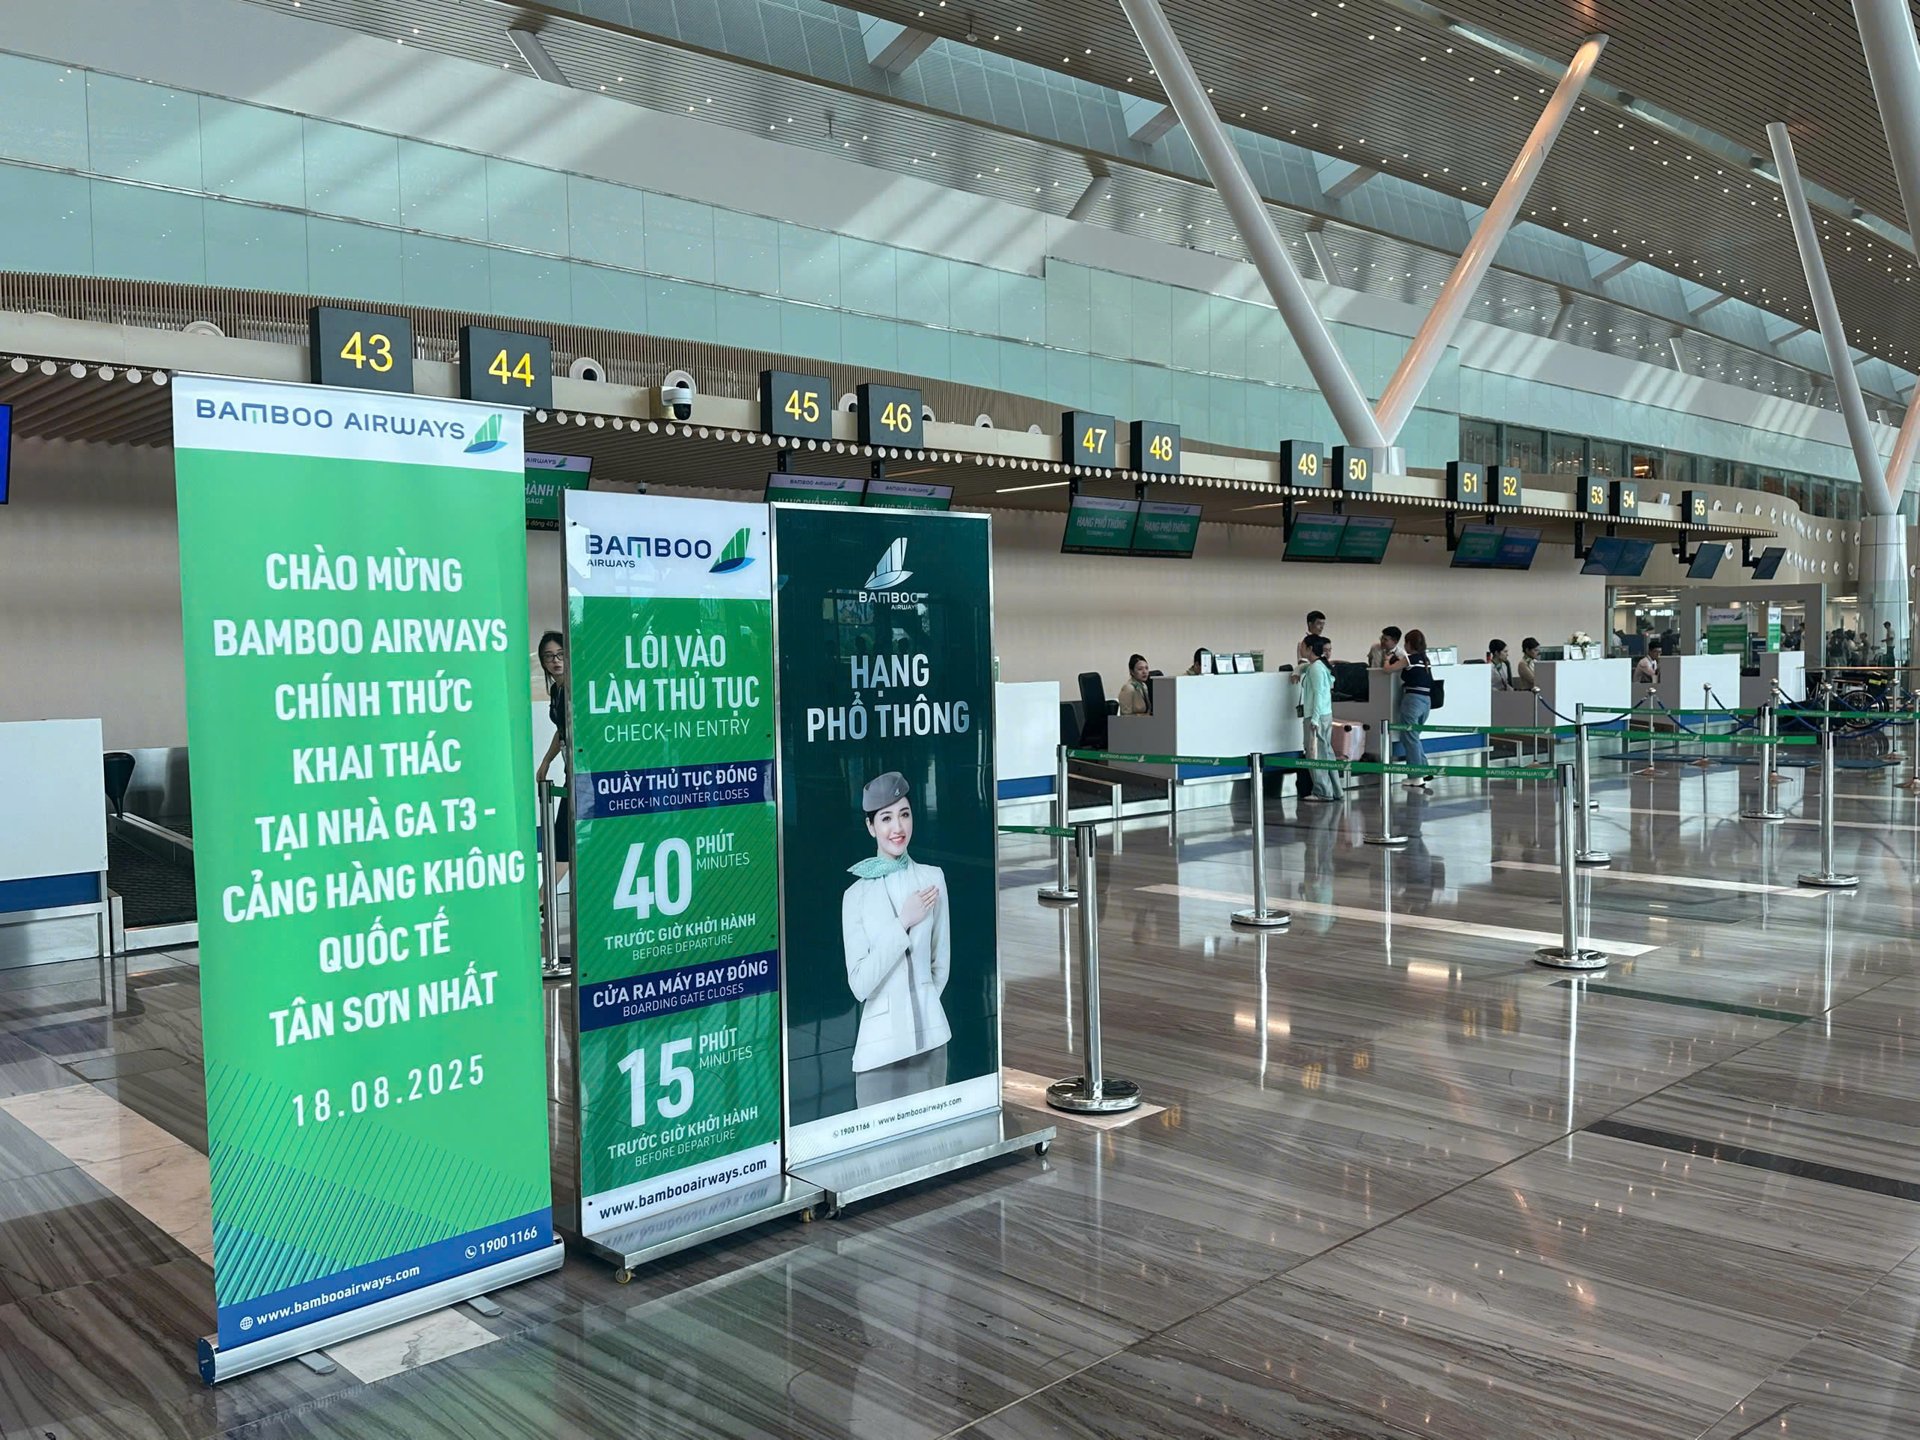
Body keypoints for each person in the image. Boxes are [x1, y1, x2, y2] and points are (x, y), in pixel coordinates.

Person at [841, 772, 951, 1107]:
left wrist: (923, 1003)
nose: (897, 827)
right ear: (870, 827)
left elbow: (940, 964)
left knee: (932, 1132)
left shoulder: (933, 879)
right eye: (886, 818)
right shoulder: (855, 896)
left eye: (904, 814)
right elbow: (860, 984)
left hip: (931, 1036)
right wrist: (903, 922)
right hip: (879, 1047)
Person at [534, 630, 572, 884]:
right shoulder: (557, 690)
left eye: (560, 654)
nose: (556, 661)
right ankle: (544, 896)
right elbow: (562, 731)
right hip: (572, 769)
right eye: (549, 656)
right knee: (564, 835)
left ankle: (542, 897)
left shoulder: (576, 688)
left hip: (586, 771)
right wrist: (547, 761)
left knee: (566, 835)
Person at [1297, 635, 1340, 802]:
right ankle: (1335, 790)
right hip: (1325, 714)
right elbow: (1303, 667)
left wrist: (1314, 719)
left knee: (1315, 754)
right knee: (1326, 753)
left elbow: (1318, 695)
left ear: (1309, 649)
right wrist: (1297, 670)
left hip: (1317, 716)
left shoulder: (1316, 668)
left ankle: (1322, 791)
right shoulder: (1319, 666)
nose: (1300, 649)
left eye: (1302, 646)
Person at [1398, 628, 1434, 787]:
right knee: (1414, 737)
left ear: (1409, 644)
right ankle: (1425, 769)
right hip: (1426, 701)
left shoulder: (1410, 659)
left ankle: (1415, 776)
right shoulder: (1425, 659)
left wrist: (1388, 659)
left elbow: (1388, 669)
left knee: (1410, 738)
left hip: (1412, 701)